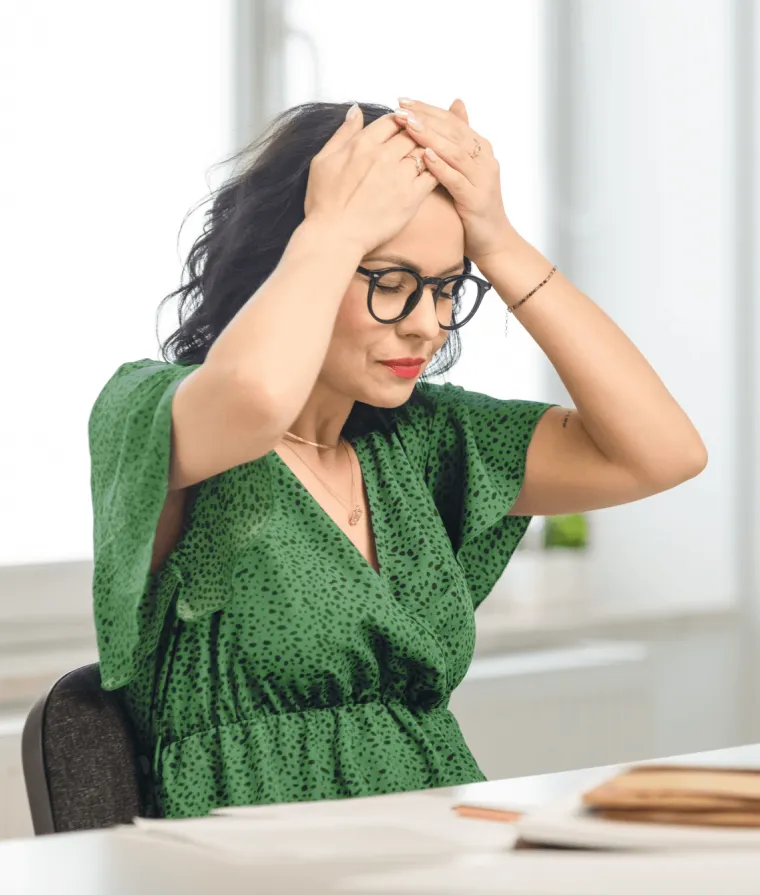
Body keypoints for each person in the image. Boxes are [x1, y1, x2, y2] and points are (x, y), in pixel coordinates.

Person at [87, 98, 707, 820]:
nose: (428, 324)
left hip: (438, 843)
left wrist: (500, 242)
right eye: (387, 280)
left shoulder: (420, 439)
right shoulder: (152, 408)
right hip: (259, 863)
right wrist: (334, 229)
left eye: (447, 287)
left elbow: (665, 452)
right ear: (290, 257)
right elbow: (256, 395)